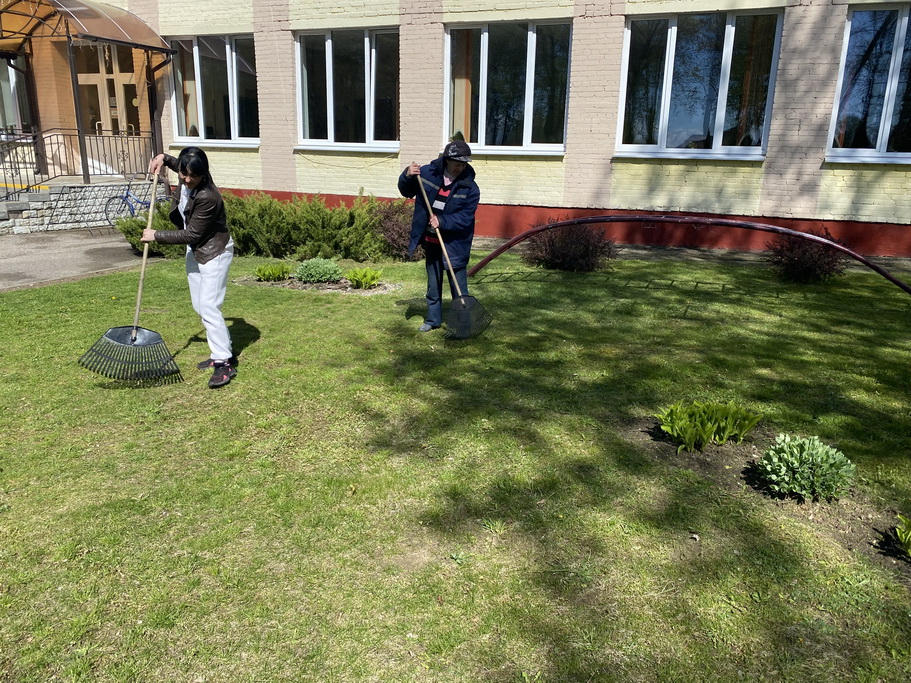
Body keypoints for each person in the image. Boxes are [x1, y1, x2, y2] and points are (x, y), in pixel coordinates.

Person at [141, 147, 237, 388]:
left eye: (192, 175)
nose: (186, 179)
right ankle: (221, 349)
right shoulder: (186, 173)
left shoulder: (208, 197)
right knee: (199, 305)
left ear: (203, 173)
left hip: (214, 252)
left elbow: (192, 233)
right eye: (183, 174)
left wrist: (156, 235)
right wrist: (164, 158)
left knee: (209, 306)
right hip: (195, 250)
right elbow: (180, 164)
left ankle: (224, 361)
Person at [398, 140, 480, 332]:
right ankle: (433, 320)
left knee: (458, 287)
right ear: (447, 159)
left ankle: (462, 324)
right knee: (433, 284)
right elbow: (406, 191)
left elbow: (465, 218)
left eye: (464, 164)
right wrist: (407, 175)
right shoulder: (427, 173)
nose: (461, 168)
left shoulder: (470, 187)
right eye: (457, 163)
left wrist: (442, 221)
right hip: (432, 242)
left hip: (455, 244)